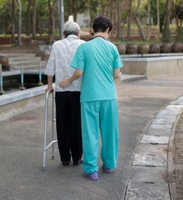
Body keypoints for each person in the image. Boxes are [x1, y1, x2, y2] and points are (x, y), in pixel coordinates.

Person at [59, 16, 123, 180]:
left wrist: (68, 80)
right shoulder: (113, 48)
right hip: (109, 96)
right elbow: (117, 74)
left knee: (90, 133)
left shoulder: (84, 48)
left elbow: (79, 72)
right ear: (107, 30)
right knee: (109, 132)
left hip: (89, 96)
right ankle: (109, 165)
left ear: (93, 30)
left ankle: (91, 170)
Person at [45, 21, 85, 166]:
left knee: (62, 124)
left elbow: (51, 67)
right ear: (78, 33)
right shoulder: (83, 45)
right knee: (77, 123)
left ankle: (64, 158)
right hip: (78, 90)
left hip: (61, 90)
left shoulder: (57, 45)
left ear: (64, 34)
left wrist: (50, 85)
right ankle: (77, 157)